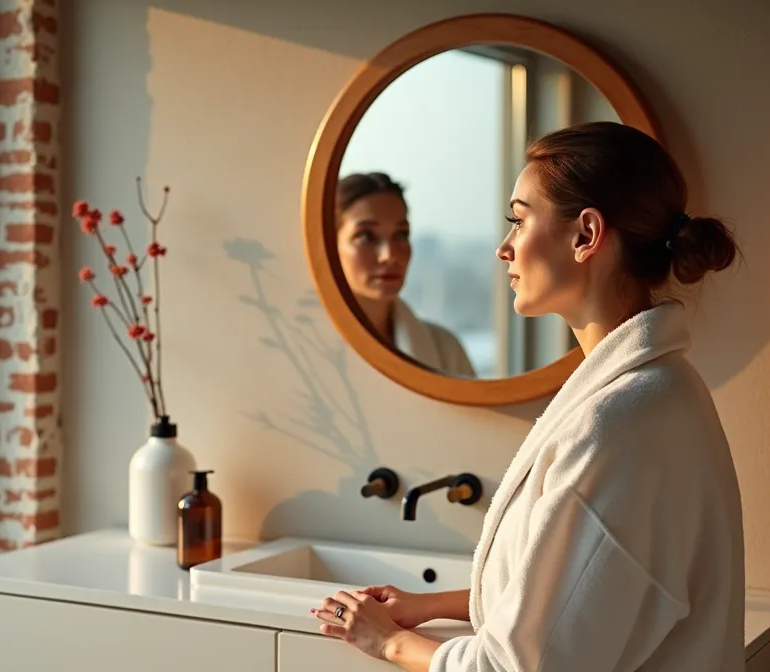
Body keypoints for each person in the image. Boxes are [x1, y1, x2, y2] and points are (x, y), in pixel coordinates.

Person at [314, 121, 745, 671]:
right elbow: (575, 602)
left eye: (518, 220)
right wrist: (428, 605)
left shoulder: (617, 424)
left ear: (586, 235)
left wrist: (387, 642)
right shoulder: (660, 391)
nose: (503, 248)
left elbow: (514, 668)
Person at [336, 172, 477, 377]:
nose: (389, 255)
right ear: (330, 246)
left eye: (401, 234)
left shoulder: (446, 351)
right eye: (366, 236)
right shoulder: (303, 350)